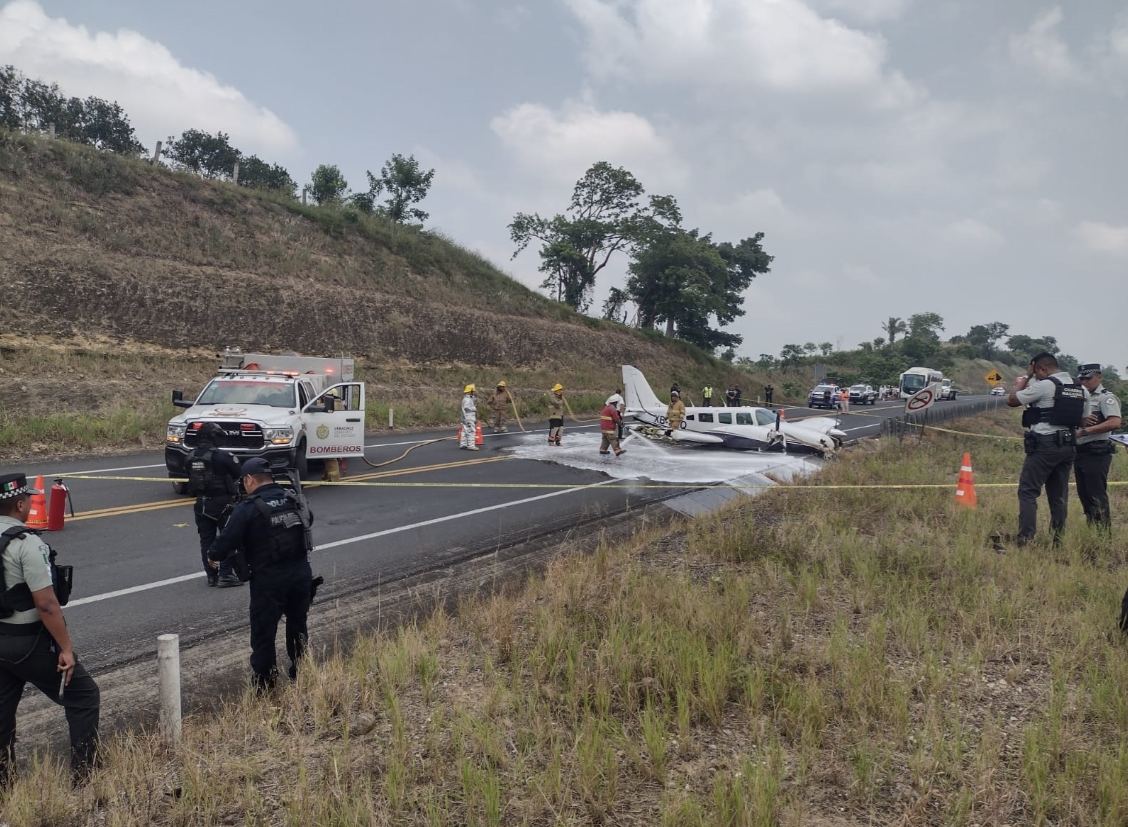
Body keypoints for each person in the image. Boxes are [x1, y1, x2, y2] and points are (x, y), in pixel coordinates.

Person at [0, 473, 99, 784]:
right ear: (20, 503)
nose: (31, 502)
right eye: (29, 498)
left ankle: (4, 784)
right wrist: (66, 649)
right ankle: (85, 775)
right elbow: (46, 604)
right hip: (28, 642)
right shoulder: (25, 542)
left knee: (2, 716)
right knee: (83, 695)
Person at [207, 458, 314, 690]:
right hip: (300, 575)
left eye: (243, 482)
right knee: (298, 625)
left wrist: (212, 555)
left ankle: (265, 682)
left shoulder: (248, 508)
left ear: (249, 479)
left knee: (264, 633)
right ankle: (302, 672)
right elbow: (309, 520)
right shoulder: (293, 499)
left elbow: (226, 540)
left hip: (270, 581)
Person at [1007, 352, 1088, 547]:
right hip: (1068, 446)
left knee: (1028, 492)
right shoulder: (1080, 388)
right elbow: (1083, 420)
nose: (1035, 376)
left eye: (1036, 372)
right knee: (1058, 496)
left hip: (1044, 445)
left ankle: (1025, 541)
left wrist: (1026, 377)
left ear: (1042, 369)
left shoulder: (1044, 385)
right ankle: (1057, 542)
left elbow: (1012, 400)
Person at [185, 421, 243, 587]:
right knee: (228, 537)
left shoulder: (190, 456)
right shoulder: (222, 456)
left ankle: (211, 576)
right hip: (222, 504)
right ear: (213, 436)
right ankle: (226, 574)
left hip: (201, 503)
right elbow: (238, 472)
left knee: (206, 541)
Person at [1074, 364, 1121, 529]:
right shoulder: (1081, 397)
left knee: (1096, 496)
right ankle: (1092, 531)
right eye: (1082, 378)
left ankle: (1103, 535)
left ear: (1099, 377)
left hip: (1097, 452)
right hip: (1079, 452)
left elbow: (1115, 422)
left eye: (1089, 377)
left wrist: (1085, 432)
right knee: (1084, 495)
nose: (1084, 381)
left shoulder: (1105, 397)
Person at [459, 384, 479, 451]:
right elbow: (467, 408)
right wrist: (474, 408)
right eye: (473, 391)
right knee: (471, 431)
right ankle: (471, 446)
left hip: (466, 418)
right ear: (470, 391)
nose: (474, 392)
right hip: (469, 418)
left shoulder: (467, 398)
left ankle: (463, 444)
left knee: (465, 431)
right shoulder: (467, 400)